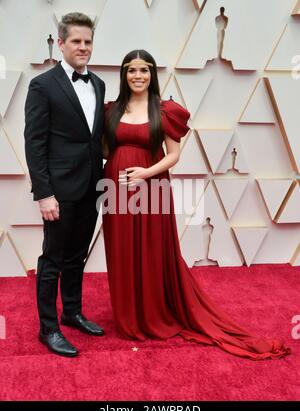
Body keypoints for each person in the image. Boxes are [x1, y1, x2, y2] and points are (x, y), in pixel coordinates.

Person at [102, 49, 290, 360]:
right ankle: (128, 317)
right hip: (116, 189)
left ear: (152, 75)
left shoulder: (165, 111)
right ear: (123, 74)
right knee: (121, 249)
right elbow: (109, 149)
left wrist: (145, 173)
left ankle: (151, 314)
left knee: (151, 250)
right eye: (132, 70)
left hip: (152, 187)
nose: (138, 76)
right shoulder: (111, 110)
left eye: (144, 70)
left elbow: (174, 155)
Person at [24, 12, 105, 357]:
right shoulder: (42, 85)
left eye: (87, 41)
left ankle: (71, 312)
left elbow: (94, 138)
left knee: (76, 257)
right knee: (52, 260)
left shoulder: (99, 84)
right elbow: (34, 142)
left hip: (90, 188)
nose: (83, 47)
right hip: (58, 191)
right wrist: (44, 193)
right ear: (61, 43)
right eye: (76, 41)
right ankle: (48, 328)